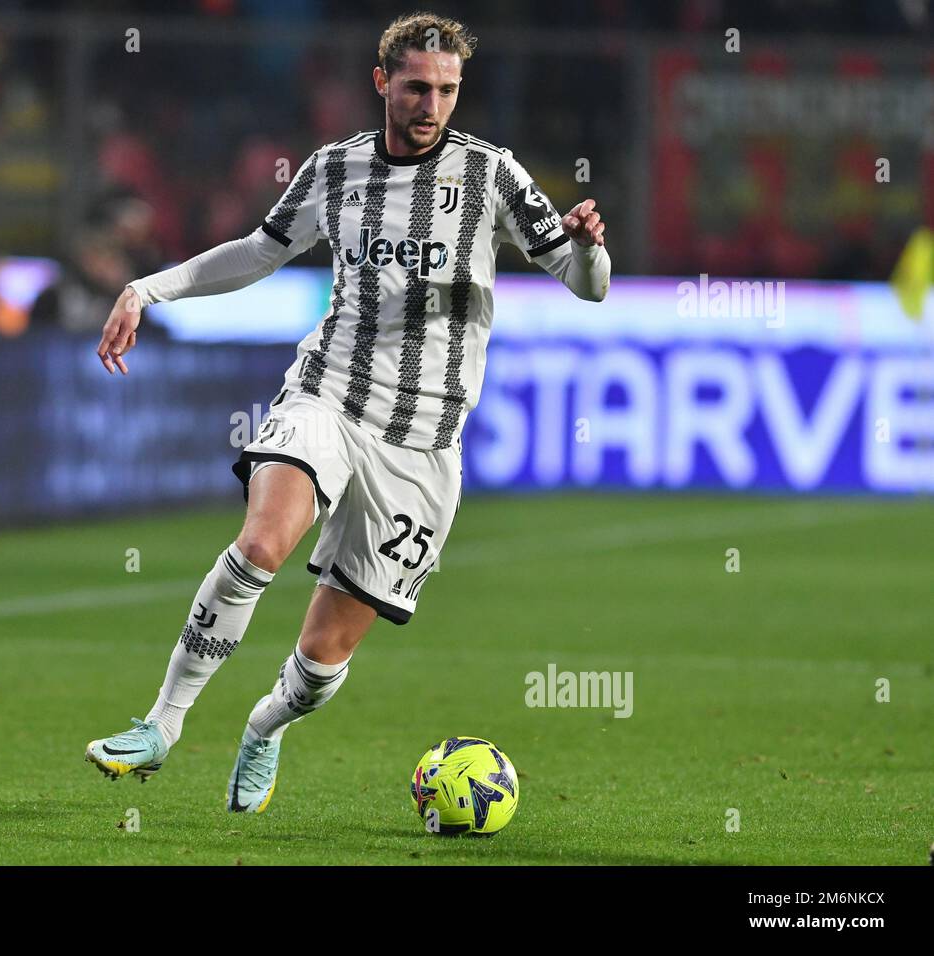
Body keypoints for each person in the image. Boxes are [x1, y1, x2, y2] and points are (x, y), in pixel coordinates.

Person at [86, 11, 610, 814]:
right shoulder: (334, 170)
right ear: (381, 83)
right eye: (416, 87)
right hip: (330, 394)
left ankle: (263, 729)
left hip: (425, 445)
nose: (431, 103)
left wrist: (590, 246)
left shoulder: (493, 175)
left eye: (446, 89)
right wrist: (145, 288)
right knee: (262, 542)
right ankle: (162, 724)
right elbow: (260, 250)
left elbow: (586, 284)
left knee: (322, 660)